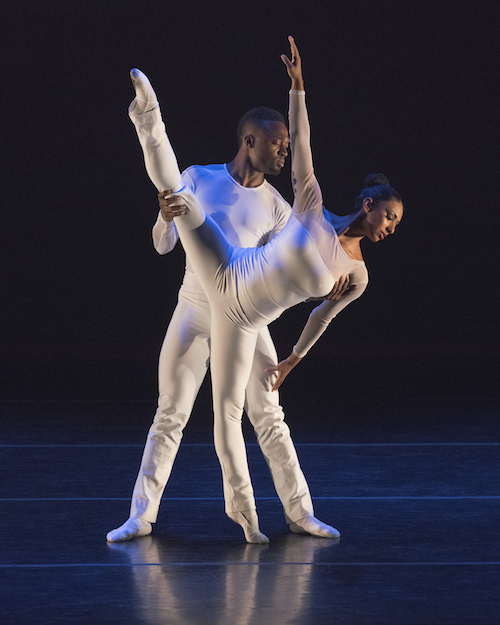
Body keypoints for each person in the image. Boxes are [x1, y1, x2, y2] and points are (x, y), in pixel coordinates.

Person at [107, 53, 350, 544]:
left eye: (287, 145)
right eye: (277, 145)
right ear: (249, 141)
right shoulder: (200, 177)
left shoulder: (279, 207)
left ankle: (301, 513)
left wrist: (337, 266)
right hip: (195, 310)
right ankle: (141, 515)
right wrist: (163, 217)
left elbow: (284, 267)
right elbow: (162, 245)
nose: (284, 153)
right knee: (170, 412)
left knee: (269, 417)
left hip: (245, 318)